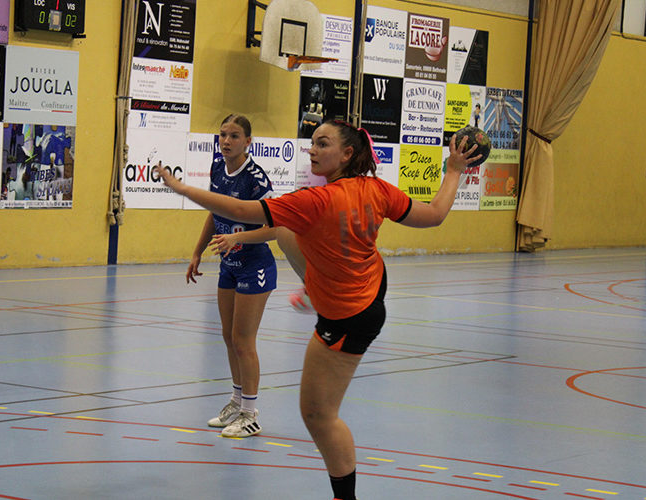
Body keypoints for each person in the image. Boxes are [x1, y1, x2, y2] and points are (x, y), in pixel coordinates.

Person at [155, 119, 479, 500]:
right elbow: (436, 214)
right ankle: (313, 286)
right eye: (312, 142)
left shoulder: (318, 200)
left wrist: (180, 188)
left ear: (347, 154)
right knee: (287, 227)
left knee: (318, 415)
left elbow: (243, 209)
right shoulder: (374, 189)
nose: (312, 149)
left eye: (322, 144)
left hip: (349, 316)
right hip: (371, 287)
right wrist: (454, 170)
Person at [188, 114, 277, 438]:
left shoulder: (256, 180)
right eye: (223, 134)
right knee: (228, 337)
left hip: (255, 266)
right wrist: (198, 251)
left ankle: (251, 414)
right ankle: (237, 402)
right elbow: (216, 213)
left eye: (234, 136)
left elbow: (275, 229)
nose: (226, 141)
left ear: (248, 142)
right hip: (229, 265)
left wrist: (237, 239)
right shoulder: (216, 168)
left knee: (243, 340)